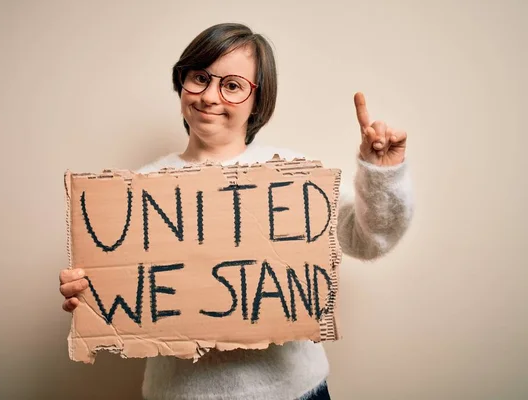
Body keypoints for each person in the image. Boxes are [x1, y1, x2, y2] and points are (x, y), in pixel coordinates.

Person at [59, 22, 414, 400]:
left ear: (257, 101)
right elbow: (122, 294)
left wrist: (381, 173)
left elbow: (369, 239)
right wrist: (89, 293)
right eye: (199, 78)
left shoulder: (292, 175)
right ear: (182, 84)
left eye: (231, 85)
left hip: (295, 392)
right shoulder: (141, 189)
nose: (210, 96)